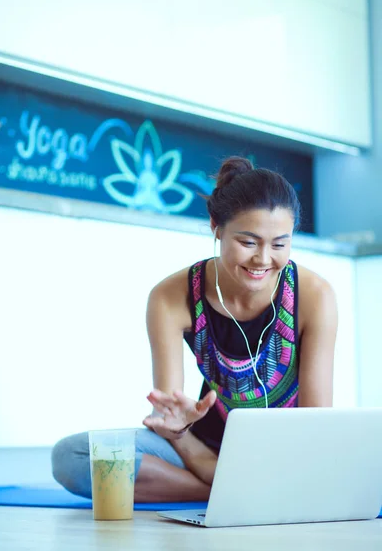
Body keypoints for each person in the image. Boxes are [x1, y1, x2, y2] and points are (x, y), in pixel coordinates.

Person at [51, 156, 338, 503]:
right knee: (72, 458)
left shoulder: (314, 296)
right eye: (248, 242)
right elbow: (170, 418)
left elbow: (317, 426)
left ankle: (242, 487)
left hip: (286, 454)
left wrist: (297, 467)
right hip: (199, 449)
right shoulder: (170, 297)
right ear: (216, 227)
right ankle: (234, 490)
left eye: (279, 244)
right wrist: (184, 434)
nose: (263, 259)